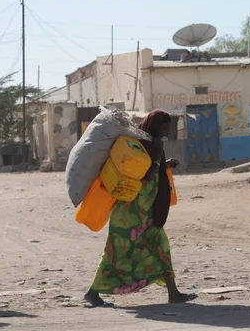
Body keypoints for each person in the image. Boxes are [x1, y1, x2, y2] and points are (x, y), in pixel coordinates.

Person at [84, 110, 197, 307]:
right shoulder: (146, 144)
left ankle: (173, 293)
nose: (165, 131)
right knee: (118, 252)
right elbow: (147, 176)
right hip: (133, 213)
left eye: (167, 127)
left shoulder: (144, 143)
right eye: (163, 127)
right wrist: (159, 154)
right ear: (154, 126)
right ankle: (93, 293)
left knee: (158, 248)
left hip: (144, 212)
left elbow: (146, 170)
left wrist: (165, 164)